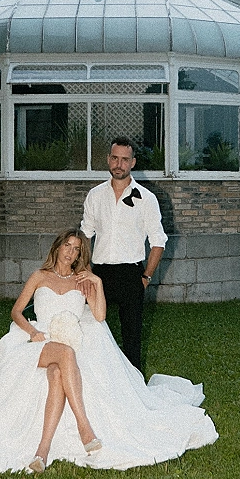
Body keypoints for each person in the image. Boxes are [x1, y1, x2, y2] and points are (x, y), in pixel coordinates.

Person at [0, 228, 218, 473]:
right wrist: (33, 332)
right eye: (67, 247)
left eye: (77, 250)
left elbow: (100, 316)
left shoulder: (82, 280)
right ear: (57, 247)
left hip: (68, 342)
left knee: (61, 367)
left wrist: (97, 284)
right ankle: (86, 428)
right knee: (62, 355)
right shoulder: (40, 276)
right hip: (38, 342)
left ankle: (42, 451)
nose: (71, 253)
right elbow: (16, 311)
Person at [81, 136, 167, 372]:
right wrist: (87, 271)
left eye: (125, 160)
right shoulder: (95, 195)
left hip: (131, 274)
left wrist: (146, 277)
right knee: (93, 332)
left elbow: (158, 242)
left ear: (133, 162)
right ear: (109, 159)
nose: (119, 164)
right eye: (115, 158)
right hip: (99, 274)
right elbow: (85, 234)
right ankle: (96, 382)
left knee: (132, 337)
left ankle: (134, 389)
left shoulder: (147, 199)